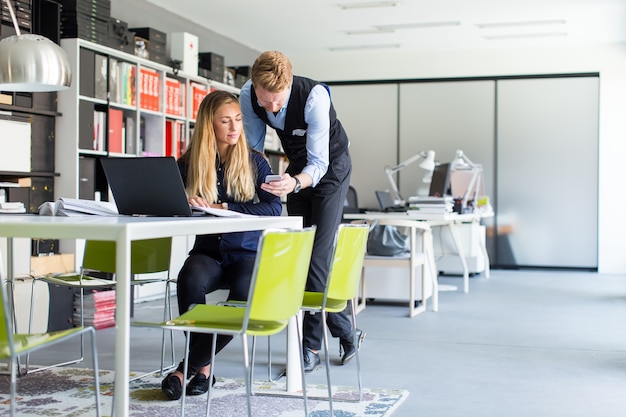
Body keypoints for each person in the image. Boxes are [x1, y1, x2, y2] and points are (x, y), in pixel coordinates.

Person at [240, 51, 365, 373]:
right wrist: (256, 182)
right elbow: (252, 149)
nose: (274, 109)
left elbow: (319, 163)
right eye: (266, 102)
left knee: (318, 257)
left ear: (288, 84)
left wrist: (295, 183)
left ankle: (309, 346)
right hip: (296, 169)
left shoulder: (314, 97)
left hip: (331, 169)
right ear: (254, 87)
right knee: (299, 254)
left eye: (278, 101)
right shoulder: (247, 96)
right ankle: (347, 330)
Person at [161, 90, 282, 400]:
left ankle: (188, 367)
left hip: (246, 252)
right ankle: (204, 370)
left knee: (243, 296)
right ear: (209, 125)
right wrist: (186, 204)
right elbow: (169, 208)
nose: (234, 128)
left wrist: (228, 208)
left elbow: (273, 208)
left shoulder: (255, 161)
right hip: (208, 251)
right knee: (189, 280)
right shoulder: (188, 163)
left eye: (238, 120)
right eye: (225, 121)